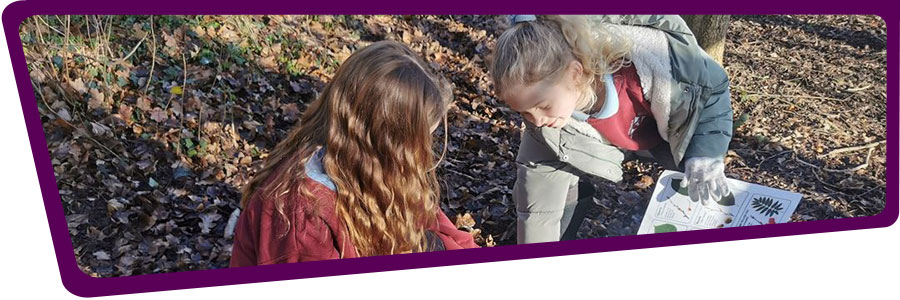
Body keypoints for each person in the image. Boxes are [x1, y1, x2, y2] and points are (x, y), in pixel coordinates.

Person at [231, 40, 478, 266]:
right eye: (418, 144)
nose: (422, 155)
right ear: (388, 144)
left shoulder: (376, 172)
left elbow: (444, 232)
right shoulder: (303, 219)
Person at [489, 15, 733, 243]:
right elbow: (539, 210)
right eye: (524, 112)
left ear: (574, 73)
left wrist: (706, 153)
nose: (537, 120)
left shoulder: (663, 62)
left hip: (670, 128)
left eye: (542, 106)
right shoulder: (547, 129)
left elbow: (712, 90)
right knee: (554, 193)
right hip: (601, 139)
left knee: (699, 184)